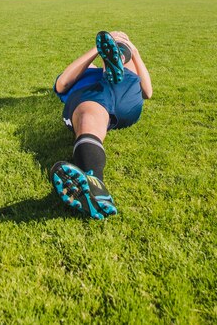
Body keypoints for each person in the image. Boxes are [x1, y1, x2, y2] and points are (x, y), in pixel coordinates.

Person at [50, 30, 153, 220]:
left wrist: (134, 52)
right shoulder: (86, 71)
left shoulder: (126, 70)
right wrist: (96, 50)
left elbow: (148, 92)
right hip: (110, 98)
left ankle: (95, 182)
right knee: (92, 114)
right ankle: (96, 189)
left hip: (121, 91)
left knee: (90, 116)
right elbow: (62, 84)